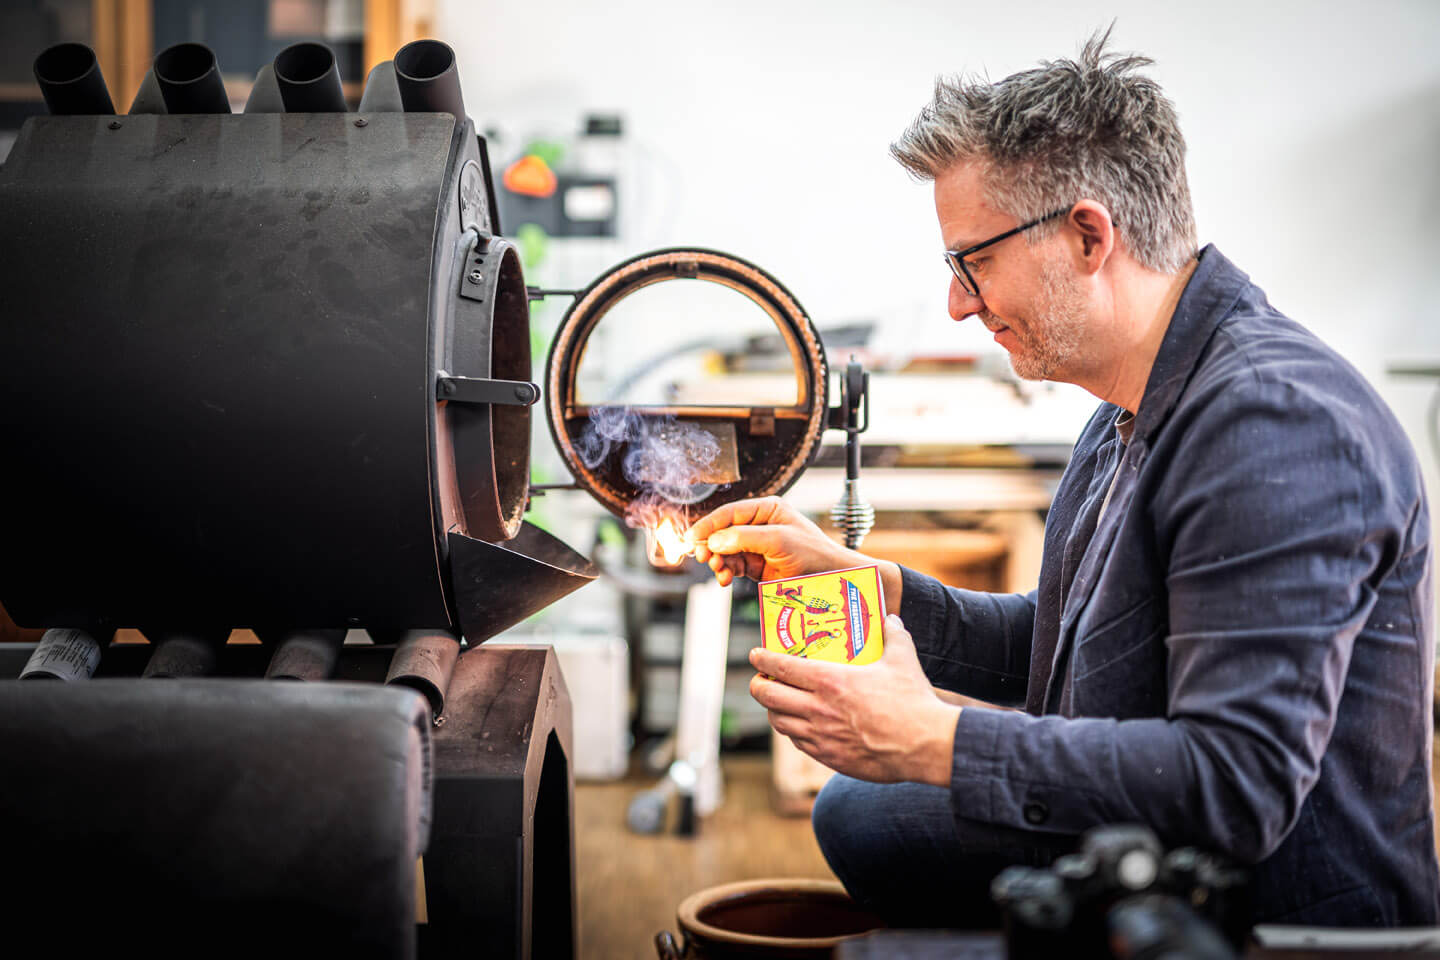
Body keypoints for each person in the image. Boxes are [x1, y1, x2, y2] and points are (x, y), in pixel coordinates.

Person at [684, 30, 1440, 929]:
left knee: (874, 813)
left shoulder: (1275, 426)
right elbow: (1070, 643)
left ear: (1089, 235)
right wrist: (871, 587)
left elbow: (1238, 785)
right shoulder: (1132, 401)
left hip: (1273, 915)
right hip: (1162, 850)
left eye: (976, 260)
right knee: (860, 812)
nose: (961, 302)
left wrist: (933, 739)